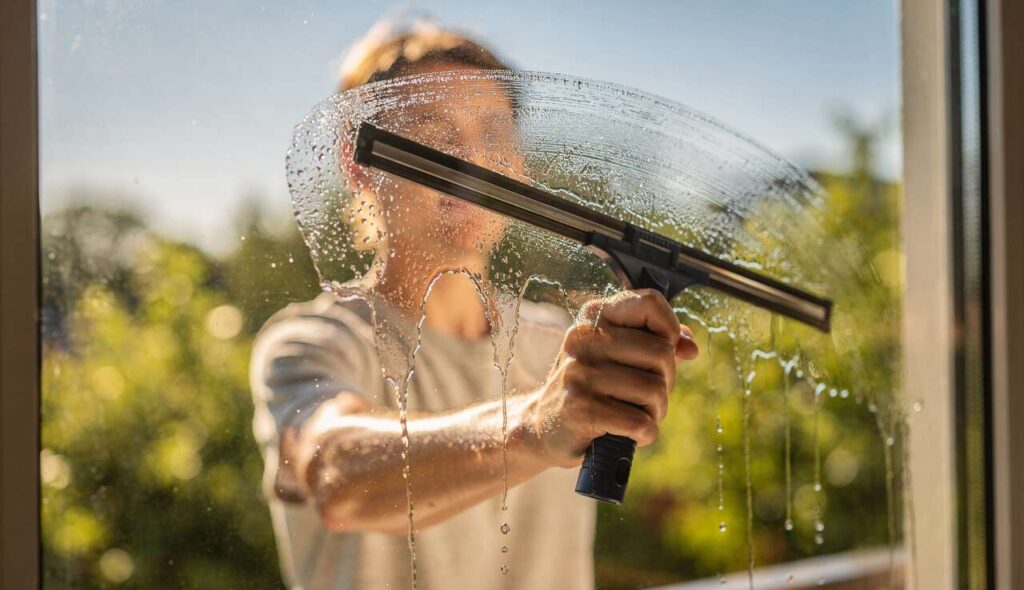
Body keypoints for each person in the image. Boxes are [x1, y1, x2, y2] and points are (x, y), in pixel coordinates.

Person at [250, 18, 699, 590]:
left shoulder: (560, 347)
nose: (471, 166)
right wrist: (537, 425)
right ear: (358, 162)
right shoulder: (314, 343)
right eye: (435, 137)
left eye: (493, 135)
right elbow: (338, 474)